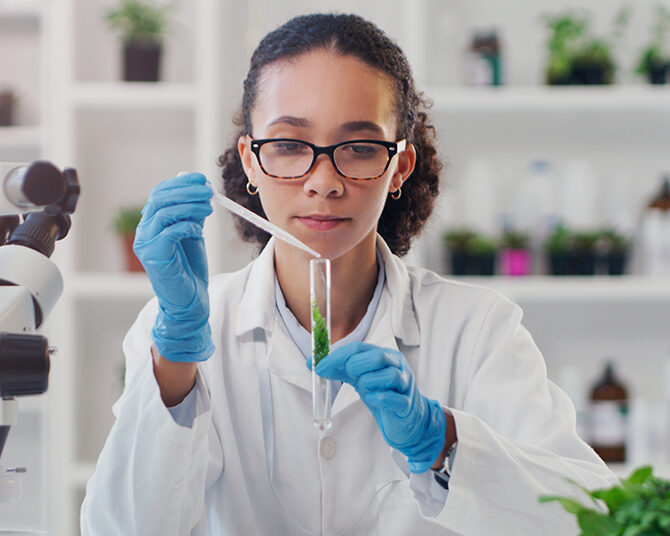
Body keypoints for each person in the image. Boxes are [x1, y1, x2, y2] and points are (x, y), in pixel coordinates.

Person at [81, 13, 617, 535]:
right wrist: (176, 358)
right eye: (289, 145)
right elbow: (122, 528)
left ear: (399, 167)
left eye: (360, 148)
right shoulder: (185, 328)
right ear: (249, 160)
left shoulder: (477, 331)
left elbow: (588, 515)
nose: (323, 181)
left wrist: (444, 445)